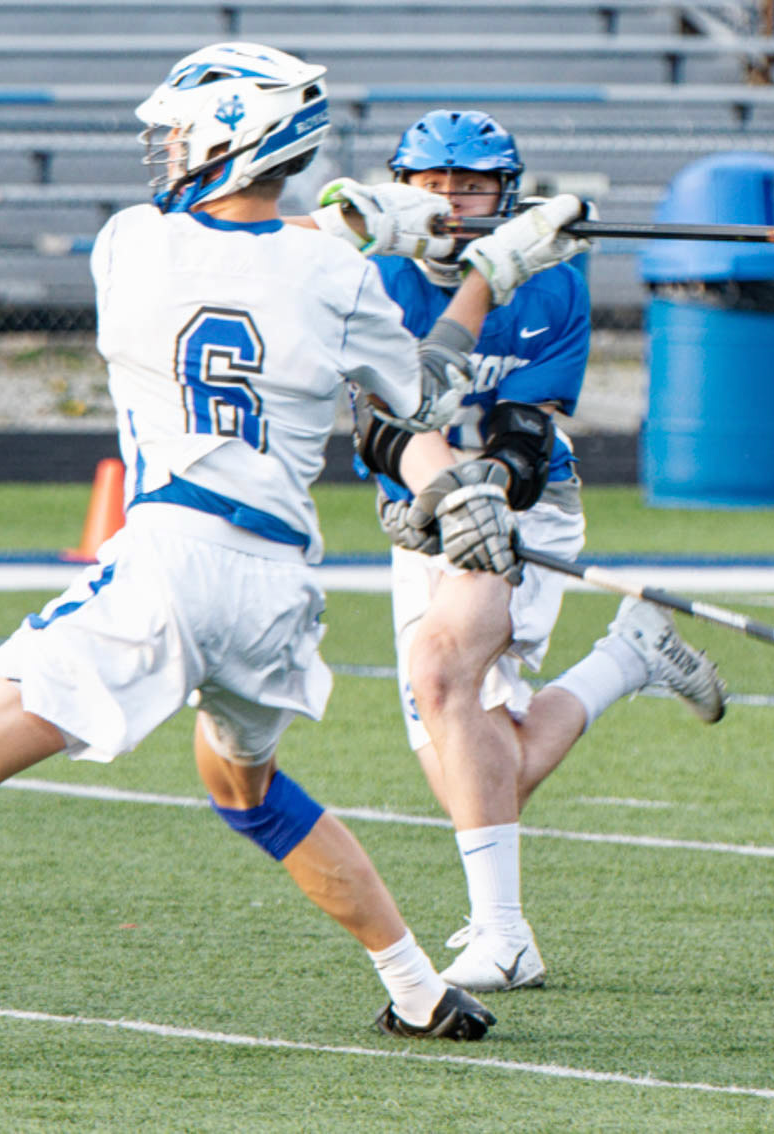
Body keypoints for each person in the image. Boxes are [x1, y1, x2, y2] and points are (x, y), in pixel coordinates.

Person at [0, 42, 595, 1054]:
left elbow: (251, 247)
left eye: (180, 132)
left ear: (231, 139)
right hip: (276, 591)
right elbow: (426, 394)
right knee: (248, 794)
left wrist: (366, 218)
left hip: (170, 562)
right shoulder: (340, 279)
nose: (165, 148)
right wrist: (486, 277)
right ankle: (418, 989)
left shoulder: (133, 242)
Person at [301, 110, 726, 992]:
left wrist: (488, 487)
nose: (453, 203)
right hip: (425, 513)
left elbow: (529, 436)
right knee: (470, 766)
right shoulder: (368, 276)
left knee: (443, 675)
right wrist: (437, 495)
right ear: (399, 191)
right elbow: (382, 423)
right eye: (433, 186)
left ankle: (504, 934)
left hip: (526, 512)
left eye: (473, 187)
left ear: (509, 193)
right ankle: (627, 657)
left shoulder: (554, 283)